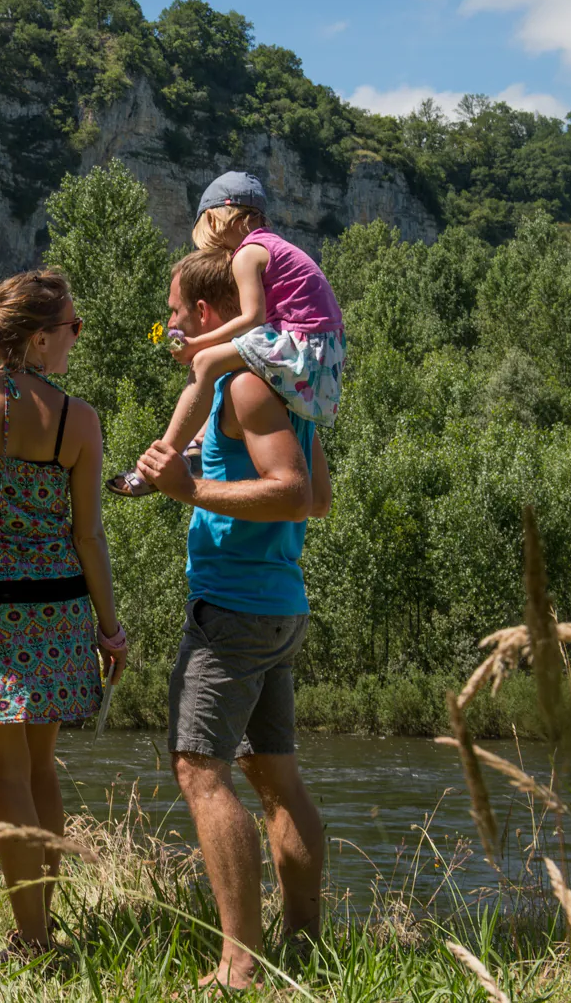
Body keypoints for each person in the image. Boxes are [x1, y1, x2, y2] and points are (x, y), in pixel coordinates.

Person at [134, 246, 333, 992]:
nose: (172, 322)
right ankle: (306, 950)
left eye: (177, 310)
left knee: (200, 772)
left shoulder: (247, 389)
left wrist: (189, 492)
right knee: (274, 778)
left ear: (210, 314)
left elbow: (289, 494)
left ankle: (239, 967)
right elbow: (317, 499)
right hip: (276, 606)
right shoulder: (290, 393)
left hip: (239, 609)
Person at [0, 268, 127, 962]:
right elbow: (87, 535)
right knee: (41, 771)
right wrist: (109, 626)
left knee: (7, 778)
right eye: (72, 327)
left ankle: (33, 940)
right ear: (38, 339)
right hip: (59, 609)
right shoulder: (79, 420)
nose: (75, 339)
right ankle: (43, 928)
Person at [111, 170, 345, 497]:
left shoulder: (247, 253)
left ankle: (157, 463)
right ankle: (196, 446)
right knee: (225, 368)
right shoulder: (273, 247)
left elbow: (252, 318)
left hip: (303, 345)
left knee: (206, 363)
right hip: (322, 354)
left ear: (224, 219)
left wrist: (196, 345)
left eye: (208, 231)